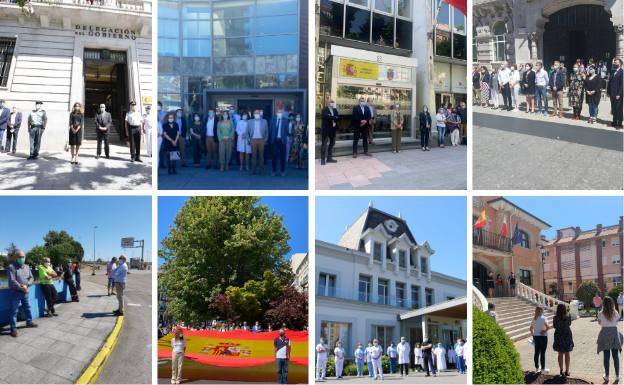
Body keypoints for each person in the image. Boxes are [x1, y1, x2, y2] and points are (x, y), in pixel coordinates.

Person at [7, 251, 37, 337]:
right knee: (14, 311)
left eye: (23, 256)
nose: (22, 258)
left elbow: (31, 278)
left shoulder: (27, 267)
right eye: (20, 257)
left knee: (27, 307)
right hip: (15, 292)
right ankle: (13, 328)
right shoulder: (11, 267)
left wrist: (27, 285)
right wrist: (21, 287)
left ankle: (29, 322)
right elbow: (12, 281)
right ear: (16, 257)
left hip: (25, 292)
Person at [597, 296, 623, 382]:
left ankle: (607, 376)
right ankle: (617, 376)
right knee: (615, 356)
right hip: (614, 334)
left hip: (604, 333)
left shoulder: (600, 313)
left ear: (603, 304)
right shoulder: (615, 312)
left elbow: (599, 323)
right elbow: (617, 321)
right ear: (612, 303)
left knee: (606, 356)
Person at [552, 303, 573, 377]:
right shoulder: (568, 317)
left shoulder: (555, 318)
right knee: (567, 353)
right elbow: (569, 324)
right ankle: (567, 371)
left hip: (558, 336)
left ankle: (561, 370)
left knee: (560, 353)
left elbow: (554, 326)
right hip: (567, 336)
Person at [247, 109, 269, 175]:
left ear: (260, 114)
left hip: (261, 140)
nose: (257, 114)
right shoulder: (250, 121)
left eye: (258, 113)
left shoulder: (264, 121)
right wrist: (249, 140)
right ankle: (253, 171)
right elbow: (247, 132)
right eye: (255, 113)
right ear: (253, 114)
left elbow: (267, 132)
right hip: (253, 140)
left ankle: (261, 171)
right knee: (253, 156)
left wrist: (265, 140)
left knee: (261, 156)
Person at [530, 306, 550, 373]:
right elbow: (548, 327)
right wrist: (544, 331)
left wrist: (533, 336)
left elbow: (530, 329)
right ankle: (543, 369)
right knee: (542, 353)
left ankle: (537, 368)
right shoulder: (543, 318)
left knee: (536, 353)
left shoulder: (534, 318)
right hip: (543, 337)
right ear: (541, 311)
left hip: (536, 337)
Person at [269, 109, 289, 176]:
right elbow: (270, 130)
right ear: (276, 113)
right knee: (274, 156)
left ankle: (282, 171)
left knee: (282, 156)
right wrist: (271, 139)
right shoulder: (273, 119)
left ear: (282, 113)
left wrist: (283, 137)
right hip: (274, 140)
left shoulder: (285, 120)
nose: (279, 113)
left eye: (280, 112)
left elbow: (287, 131)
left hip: (282, 140)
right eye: (278, 112)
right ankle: (273, 171)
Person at [320, 99, 338, 165]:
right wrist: (333, 117)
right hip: (326, 130)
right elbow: (326, 117)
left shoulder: (335, 110)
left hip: (333, 130)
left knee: (332, 144)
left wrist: (332, 117)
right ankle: (322, 159)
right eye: (331, 102)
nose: (332, 103)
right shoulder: (324, 109)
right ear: (327, 103)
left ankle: (329, 158)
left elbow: (338, 117)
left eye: (333, 102)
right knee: (324, 144)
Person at [607, 58, 623, 129]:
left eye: (616, 63)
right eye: (614, 63)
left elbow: (622, 84)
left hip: (618, 94)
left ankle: (619, 123)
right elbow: (609, 82)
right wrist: (608, 91)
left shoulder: (622, 72)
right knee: (613, 108)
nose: (615, 64)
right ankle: (614, 121)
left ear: (620, 64)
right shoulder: (612, 71)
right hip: (612, 93)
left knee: (618, 108)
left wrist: (619, 94)